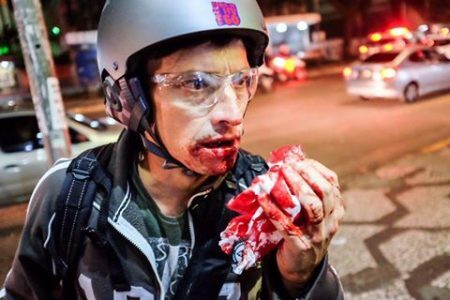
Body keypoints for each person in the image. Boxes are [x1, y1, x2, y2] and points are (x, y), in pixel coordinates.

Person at [3, 0, 345, 299]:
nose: (231, 114)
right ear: (127, 97)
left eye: (241, 81)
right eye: (196, 83)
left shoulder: (262, 200)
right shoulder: (70, 195)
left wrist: (301, 279)